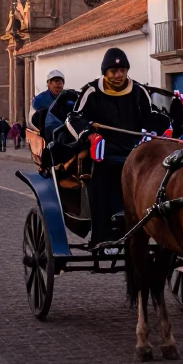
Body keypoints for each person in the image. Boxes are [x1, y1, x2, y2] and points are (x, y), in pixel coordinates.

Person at [68, 47, 170, 245]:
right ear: (105, 72)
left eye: (123, 70)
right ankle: (101, 235)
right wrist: (90, 136)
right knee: (100, 176)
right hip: (101, 151)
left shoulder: (139, 91)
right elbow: (74, 118)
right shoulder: (92, 91)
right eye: (114, 71)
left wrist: (165, 126)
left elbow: (150, 117)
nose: (119, 75)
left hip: (134, 150)